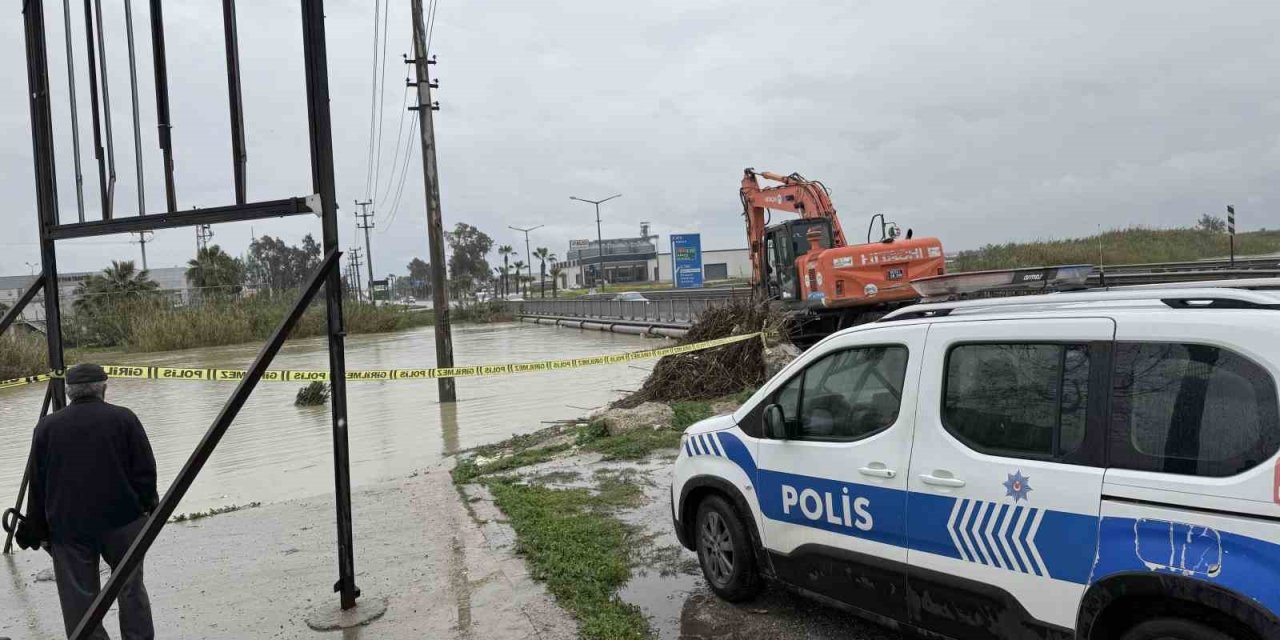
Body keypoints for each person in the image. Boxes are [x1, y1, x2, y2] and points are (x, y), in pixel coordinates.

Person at [16, 363, 157, 640]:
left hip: (69, 528)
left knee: (78, 598)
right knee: (131, 587)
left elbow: (38, 484)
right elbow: (145, 472)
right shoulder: (124, 419)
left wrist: (37, 529)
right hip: (123, 520)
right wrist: (147, 508)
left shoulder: (47, 427)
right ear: (103, 387)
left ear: (68, 392)